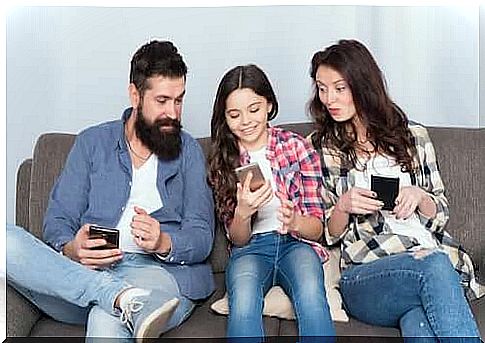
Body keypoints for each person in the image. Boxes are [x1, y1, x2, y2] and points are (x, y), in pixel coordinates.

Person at [7, 40, 215, 342]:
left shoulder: (189, 153)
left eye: (179, 100)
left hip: (156, 276)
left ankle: (121, 300)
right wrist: (71, 248)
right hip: (84, 276)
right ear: (135, 94)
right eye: (162, 100)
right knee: (6, 241)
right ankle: (120, 296)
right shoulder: (92, 143)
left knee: (106, 318)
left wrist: (163, 241)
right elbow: (58, 219)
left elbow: (201, 235)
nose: (173, 112)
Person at [307, 39, 482, 341]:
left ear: (363, 85)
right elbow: (327, 234)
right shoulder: (321, 148)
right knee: (434, 266)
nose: (329, 99)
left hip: (431, 255)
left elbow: (441, 213)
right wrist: (343, 206)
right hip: (368, 274)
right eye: (322, 88)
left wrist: (420, 196)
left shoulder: (414, 136)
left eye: (339, 88)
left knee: (419, 323)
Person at [207, 64, 336, 342]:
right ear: (225, 117)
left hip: (296, 244)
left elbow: (317, 229)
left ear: (269, 105)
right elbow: (238, 240)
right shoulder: (223, 160)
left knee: (312, 294)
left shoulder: (297, 147)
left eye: (254, 109)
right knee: (241, 302)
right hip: (251, 249)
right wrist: (242, 213)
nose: (245, 121)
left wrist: (295, 221)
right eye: (234, 114)